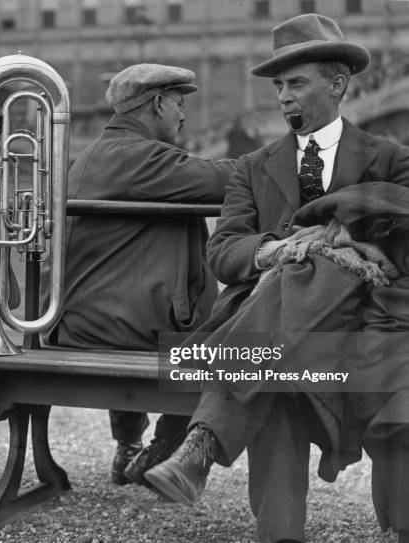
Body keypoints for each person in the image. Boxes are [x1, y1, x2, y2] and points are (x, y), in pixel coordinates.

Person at [144, 13, 409, 543]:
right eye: (279, 86)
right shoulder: (251, 166)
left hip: (365, 324)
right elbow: (224, 252)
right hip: (278, 334)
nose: (283, 97)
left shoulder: (390, 159)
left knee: (313, 277)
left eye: (296, 83)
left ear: (338, 84)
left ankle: (201, 443)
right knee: (279, 373)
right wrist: (273, 251)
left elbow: (399, 248)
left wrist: (324, 243)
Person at [46, 63, 235, 486]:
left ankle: (130, 446)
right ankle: (167, 448)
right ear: (157, 103)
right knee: (238, 350)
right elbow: (223, 180)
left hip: (81, 322)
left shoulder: (100, 153)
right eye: (180, 103)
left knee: (154, 303)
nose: (184, 115)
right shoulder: (139, 157)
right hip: (116, 328)